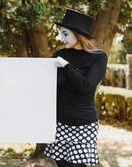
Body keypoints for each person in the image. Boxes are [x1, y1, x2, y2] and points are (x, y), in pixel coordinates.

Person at [44, 9, 108, 167]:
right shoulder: (59, 55)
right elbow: (51, 89)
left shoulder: (99, 57)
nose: (61, 38)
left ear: (78, 34)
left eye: (65, 34)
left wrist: (67, 66)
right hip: (61, 124)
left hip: (84, 125)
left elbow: (85, 87)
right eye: (61, 33)